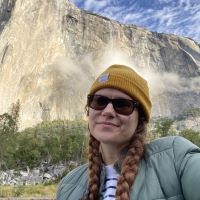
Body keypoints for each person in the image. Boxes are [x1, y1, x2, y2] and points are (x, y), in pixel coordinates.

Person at [56, 64, 200, 200]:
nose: (107, 111)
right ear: (89, 110)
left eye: (123, 105)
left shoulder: (175, 157)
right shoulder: (68, 185)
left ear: (140, 119)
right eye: (99, 102)